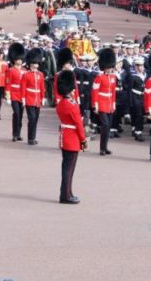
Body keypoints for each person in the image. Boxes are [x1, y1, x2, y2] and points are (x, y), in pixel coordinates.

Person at [56, 70, 88, 204]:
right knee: (69, 170)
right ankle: (66, 196)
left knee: (66, 168)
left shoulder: (61, 103)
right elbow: (79, 125)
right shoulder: (72, 105)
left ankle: (67, 192)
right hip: (73, 139)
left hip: (64, 137)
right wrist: (84, 140)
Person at [92, 47, 117, 156]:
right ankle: (102, 148)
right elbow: (94, 92)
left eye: (110, 67)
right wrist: (95, 105)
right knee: (105, 125)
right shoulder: (99, 77)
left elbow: (113, 92)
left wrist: (114, 103)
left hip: (110, 104)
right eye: (107, 67)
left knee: (108, 126)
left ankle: (105, 147)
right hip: (101, 103)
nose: (109, 69)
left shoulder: (113, 77)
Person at [21, 47, 46, 145]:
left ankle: (33, 137)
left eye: (36, 64)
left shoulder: (40, 74)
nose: (35, 65)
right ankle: (30, 138)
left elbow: (42, 87)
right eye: (34, 64)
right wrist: (23, 99)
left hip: (37, 99)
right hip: (29, 99)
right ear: (30, 64)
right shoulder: (26, 75)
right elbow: (23, 87)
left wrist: (43, 97)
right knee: (31, 118)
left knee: (35, 119)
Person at [6, 42, 26, 142]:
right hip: (14, 94)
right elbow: (8, 83)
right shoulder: (10, 70)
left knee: (21, 115)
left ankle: (18, 134)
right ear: (14, 60)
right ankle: (14, 134)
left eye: (21, 59)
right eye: (18, 59)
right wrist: (8, 96)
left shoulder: (24, 71)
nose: (20, 61)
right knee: (16, 114)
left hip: (22, 95)